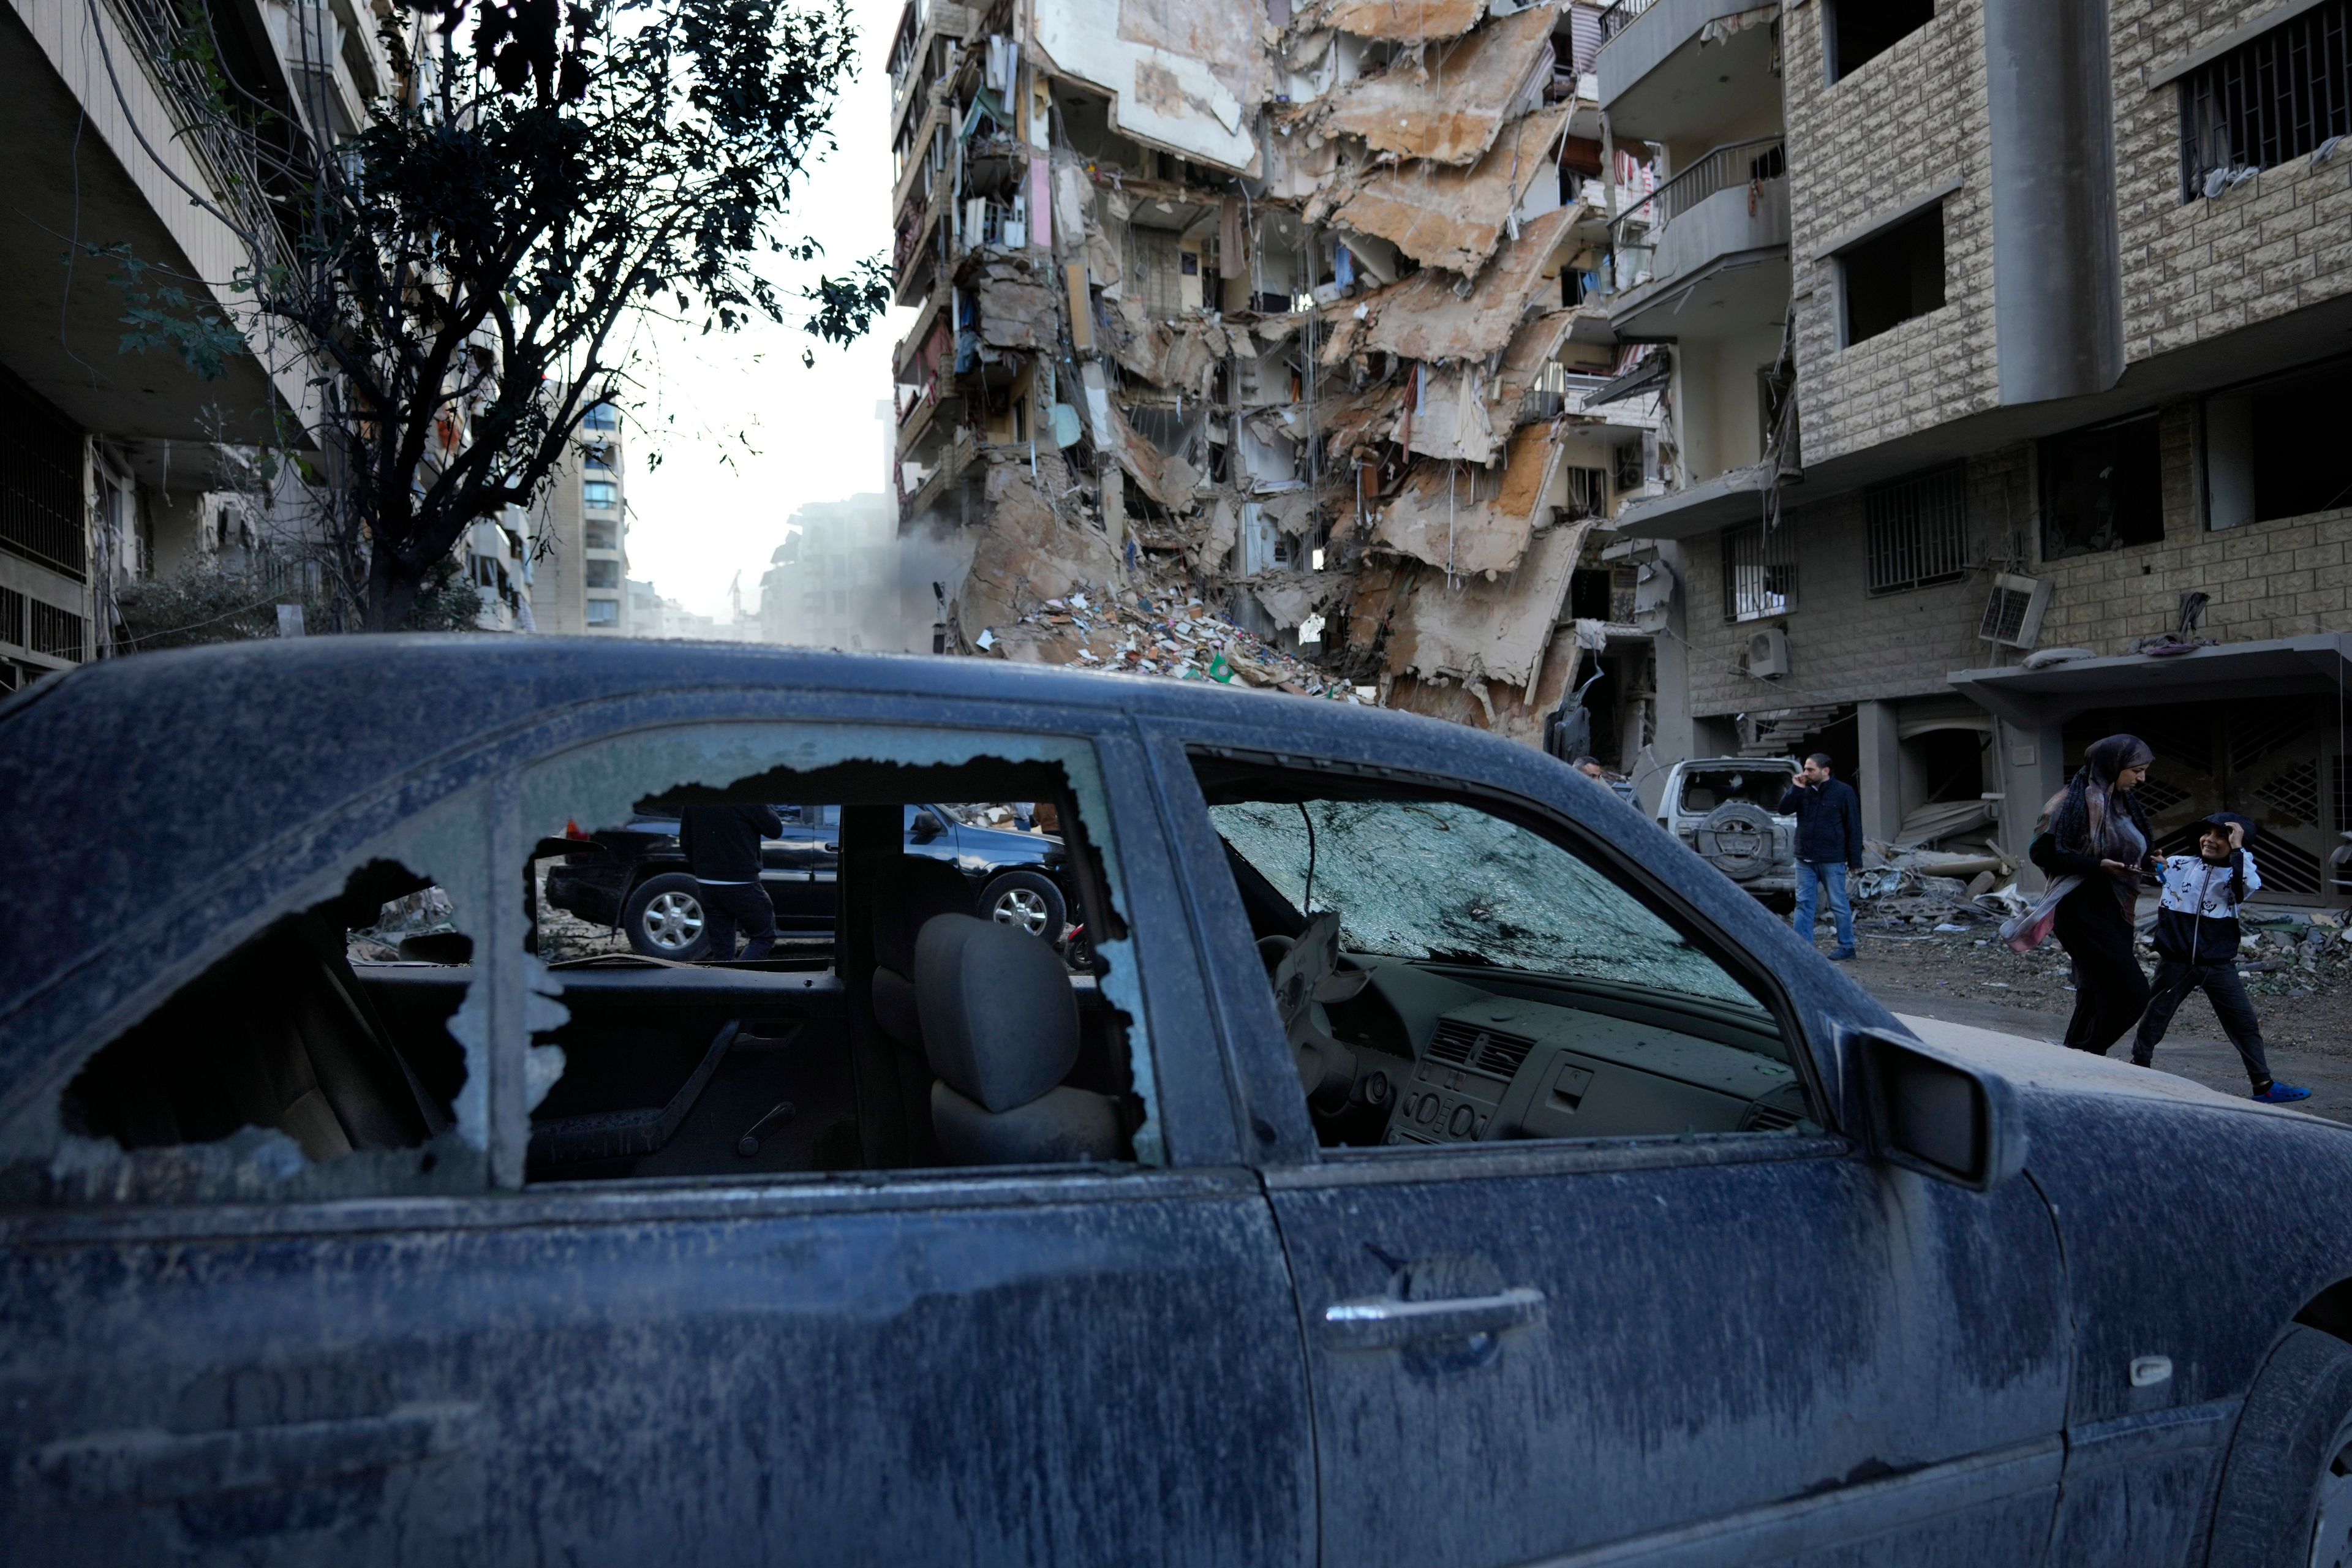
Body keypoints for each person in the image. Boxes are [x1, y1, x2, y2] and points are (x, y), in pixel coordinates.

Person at [2133, 812, 2310, 1103]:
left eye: (2221, 836)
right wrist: (2150, 859)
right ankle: (2138, 1069)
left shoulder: (2239, 874)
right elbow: (2145, 867)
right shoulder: (2180, 865)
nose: (2210, 840)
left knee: (2244, 1023)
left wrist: (2239, 847)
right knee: (2155, 1017)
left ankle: (2263, 1087)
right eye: (2208, 834)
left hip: (2217, 965)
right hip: (2176, 963)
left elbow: (2247, 883)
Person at [2008, 734, 2156, 1056]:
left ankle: (2075, 1055)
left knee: (2094, 989)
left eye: (2144, 770)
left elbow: (2127, 848)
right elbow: (2041, 853)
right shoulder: (2065, 804)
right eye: (2136, 770)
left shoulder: (2122, 802)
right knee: (2133, 992)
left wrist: (2148, 861)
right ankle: (2091, 1052)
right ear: (2113, 766)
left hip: (2118, 909)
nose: (2142, 779)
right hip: (2079, 909)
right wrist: (2097, 866)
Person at [1777, 753, 1863, 960]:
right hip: (1805, 858)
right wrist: (1795, 789)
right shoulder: (1802, 791)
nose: (1805, 773)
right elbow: (1784, 810)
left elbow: (1854, 827)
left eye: (1810, 770)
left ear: (1826, 771)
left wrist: (1855, 860)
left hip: (1832, 859)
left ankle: (1846, 947)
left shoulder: (1843, 792)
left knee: (1838, 904)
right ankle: (1802, 948)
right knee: (1804, 903)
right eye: (1805, 769)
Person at [677, 802, 782, 960]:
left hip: (708, 884)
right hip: (742, 883)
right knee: (764, 936)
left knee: (722, 949)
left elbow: (685, 841)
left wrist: (703, 869)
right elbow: (775, 830)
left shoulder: (696, 798)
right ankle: (739, 980)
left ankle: (725, 981)